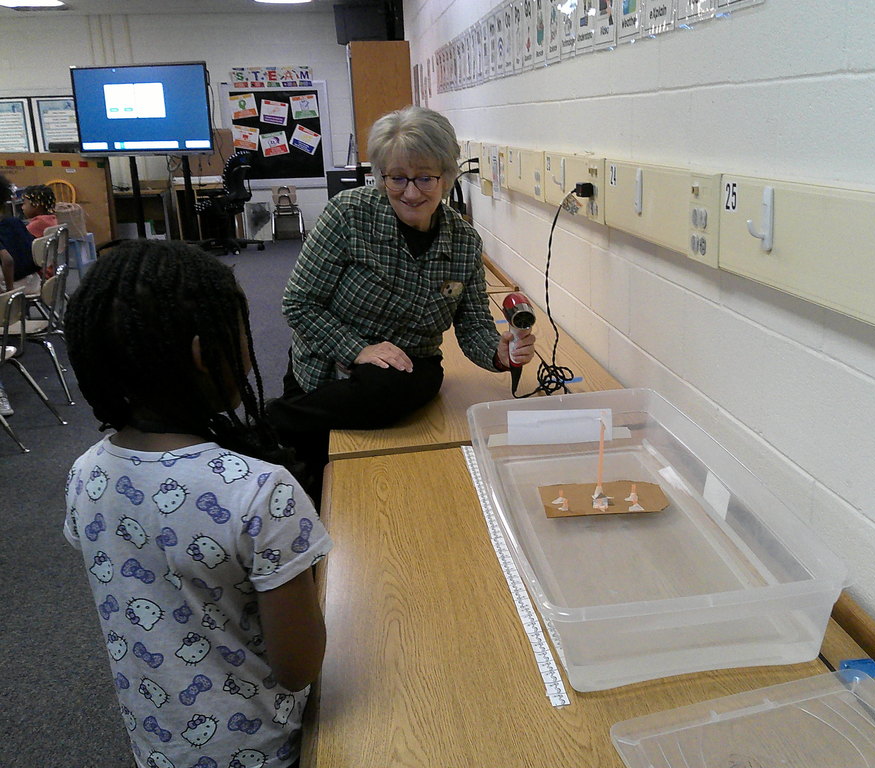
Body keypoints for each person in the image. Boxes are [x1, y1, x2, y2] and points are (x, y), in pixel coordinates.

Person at [62, 240, 332, 768]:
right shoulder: (260, 490)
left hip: (158, 745)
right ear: (203, 354)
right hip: (261, 749)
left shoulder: (84, 472)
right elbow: (299, 665)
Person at [267, 105, 535, 503]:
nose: (411, 193)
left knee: (414, 381)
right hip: (328, 371)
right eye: (397, 178)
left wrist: (501, 353)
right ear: (381, 176)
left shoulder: (463, 244)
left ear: (447, 177)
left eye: (425, 178)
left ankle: (279, 421)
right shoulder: (348, 215)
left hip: (406, 369)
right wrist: (359, 349)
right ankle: (278, 419)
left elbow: (475, 327)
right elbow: (300, 304)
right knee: (311, 488)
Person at [0, 174, 38, 293]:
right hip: (34, 281)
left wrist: (10, 290)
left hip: (13, 288)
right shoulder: (16, 222)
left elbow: (8, 260)